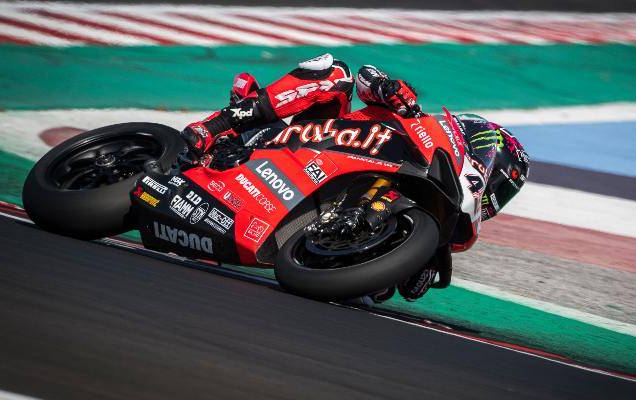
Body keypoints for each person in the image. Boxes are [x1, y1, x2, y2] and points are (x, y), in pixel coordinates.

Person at [181, 53, 529, 301]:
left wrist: (418, 264)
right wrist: (386, 88)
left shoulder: (450, 228)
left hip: (305, 215)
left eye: (502, 192)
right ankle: (215, 127)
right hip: (302, 140)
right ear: (476, 143)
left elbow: (401, 292)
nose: (493, 193)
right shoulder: (412, 118)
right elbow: (366, 75)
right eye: (498, 179)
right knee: (335, 72)